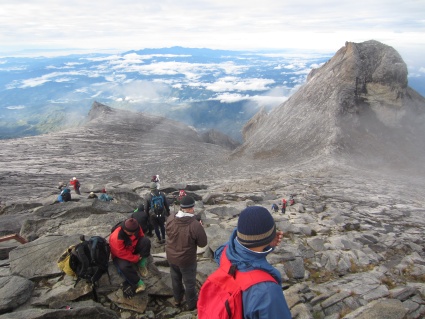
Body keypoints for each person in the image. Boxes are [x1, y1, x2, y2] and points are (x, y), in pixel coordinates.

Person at [213, 206, 291, 318]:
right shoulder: (267, 291)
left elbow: (245, 249)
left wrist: (266, 244)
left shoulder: (225, 251)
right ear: (271, 235)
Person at [166, 196, 207, 311]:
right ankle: (192, 305)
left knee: (175, 279)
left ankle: (177, 300)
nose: (193, 209)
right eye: (193, 207)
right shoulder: (195, 225)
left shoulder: (170, 218)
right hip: (187, 260)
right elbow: (203, 244)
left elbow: (168, 232)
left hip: (171, 257)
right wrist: (200, 228)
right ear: (190, 208)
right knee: (189, 283)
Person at [109, 218, 151, 297]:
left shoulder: (136, 227)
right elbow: (120, 253)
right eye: (130, 232)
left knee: (146, 241)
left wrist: (139, 253)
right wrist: (135, 258)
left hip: (132, 247)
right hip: (119, 255)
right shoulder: (116, 237)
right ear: (124, 229)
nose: (132, 233)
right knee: (124, 267)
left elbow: (141, 236)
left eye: (133, 232)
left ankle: (141, 264)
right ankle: (138, 282)